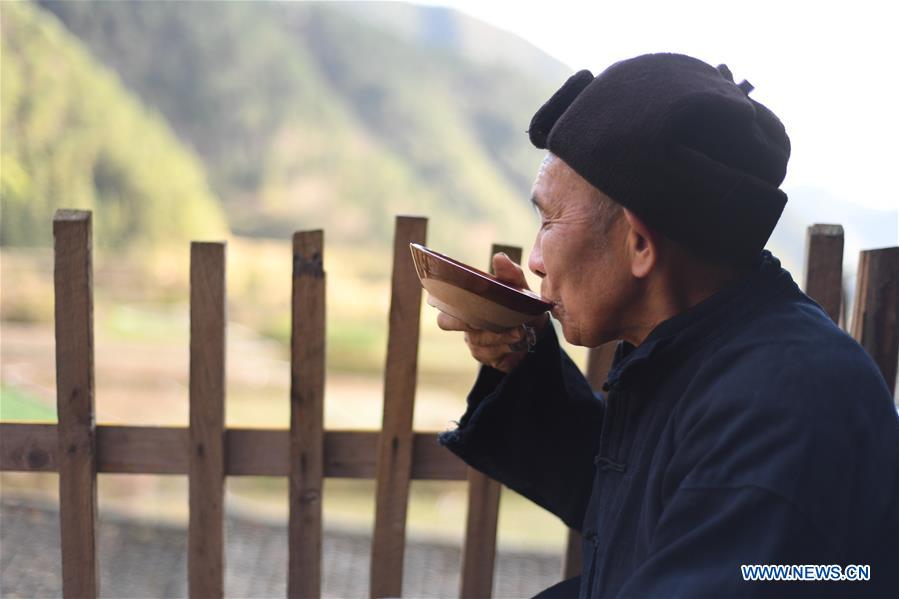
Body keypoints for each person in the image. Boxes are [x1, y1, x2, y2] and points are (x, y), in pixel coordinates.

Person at [436, 53, 899, 598]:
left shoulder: (788, 405)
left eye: (551, 219)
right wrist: (521, 362)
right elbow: (637, 510)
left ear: (639, 243)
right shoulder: (706, 348)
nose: (534, 259)